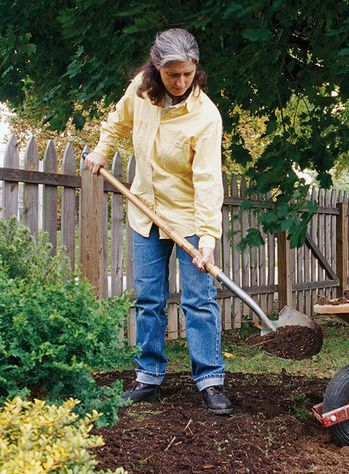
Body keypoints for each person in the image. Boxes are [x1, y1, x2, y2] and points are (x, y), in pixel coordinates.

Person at [84, 28, 233, 415]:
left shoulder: (205, 116)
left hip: (187, 217)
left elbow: (207, 180)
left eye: (187, 73)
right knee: (149, 299)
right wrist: (102, 151)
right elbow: (116, 123)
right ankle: (148, 377)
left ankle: (210, 381)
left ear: (195, 69)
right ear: (156, 69)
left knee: (199, 300)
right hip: (145, 214)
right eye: (172, 75)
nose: (180, 82)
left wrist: (208, 237)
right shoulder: (140, 91)